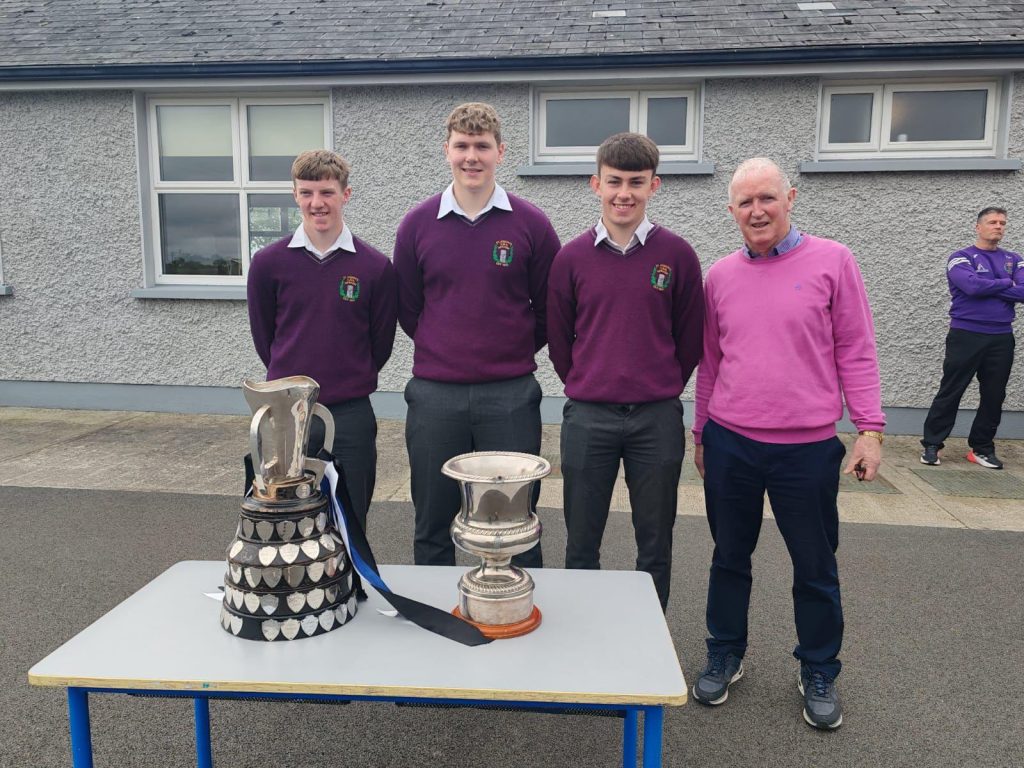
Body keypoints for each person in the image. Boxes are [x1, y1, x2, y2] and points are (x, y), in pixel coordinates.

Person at [691, 158, 885, 730]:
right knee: (729, 557)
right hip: (731, 442)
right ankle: (725, 652)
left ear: (790, 198)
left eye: (767, 198)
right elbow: (710, 363)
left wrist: (870, 430)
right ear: (731, 211)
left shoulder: (834, 261)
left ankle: (818, 668)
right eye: (745, 202)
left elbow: (856, 348)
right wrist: (701, 434)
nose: (757, 211)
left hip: (808, 449)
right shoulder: (719, 276)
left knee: (815, 565)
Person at [394, 102, 560, 566]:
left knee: (515, 524)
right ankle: (434, 610)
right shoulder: (417, 225)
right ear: (446, 150)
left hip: (509, 397)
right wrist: (444, 347)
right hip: (435, 397)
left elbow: (549, 308)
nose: (472, 157)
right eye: (462, 146)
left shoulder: (531, 224)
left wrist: (509, 348)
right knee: (432, 522)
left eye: (482, 146)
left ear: (500, 152)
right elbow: (408, 308)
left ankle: (517, 604)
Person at [546, 132, 703, 611]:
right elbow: (559, 340)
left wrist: (657, 384)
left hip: (655, 419)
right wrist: (590, 381)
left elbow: (690, 338)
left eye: (636, 182)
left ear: (654, 185)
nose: (624, 193)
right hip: (588, 417)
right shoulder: (571, 258)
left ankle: (648, 637)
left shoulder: (677, 255)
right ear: (596, 184)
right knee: (581, 541)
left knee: (655, 542)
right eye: (614, 181)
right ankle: (583, 633)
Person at [247, 149, 398, 529]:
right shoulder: (268, 264)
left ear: (345, 195)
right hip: (286, 414)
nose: (317, 203)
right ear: (295, 195)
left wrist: (346, 376)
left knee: (351, 519)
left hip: (351, 414)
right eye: (307, 193)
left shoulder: (375, 267)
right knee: (286, 520)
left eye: (327, 192)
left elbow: (380, 344)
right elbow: (265, 338)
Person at [920, 207, 1024, 469]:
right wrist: (1007, 283)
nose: (998, 226)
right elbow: (971, 286)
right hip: (966, 334)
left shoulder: (1014, 259)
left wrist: (990, 285)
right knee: (951, 389)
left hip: (1001, 337)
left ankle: (982, 448)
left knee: (994, 394)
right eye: (992, 222)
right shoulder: (961, 257)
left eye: (1002, 223)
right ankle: (932, 445)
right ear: (978, 227)